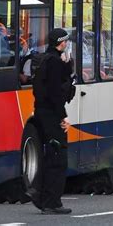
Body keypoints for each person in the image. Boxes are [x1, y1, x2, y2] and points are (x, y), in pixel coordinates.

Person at [30, 28, 74, 214]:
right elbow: (56, 93)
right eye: (64, 41)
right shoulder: (55, 63)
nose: (66, 44)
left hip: (40, 113)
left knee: (49, 156)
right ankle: (52, 202)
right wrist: (63, 116)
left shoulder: (43, 60)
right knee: (58, 157)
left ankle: (44, 198)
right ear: (60, 42)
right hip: (51, 115)